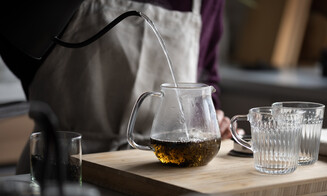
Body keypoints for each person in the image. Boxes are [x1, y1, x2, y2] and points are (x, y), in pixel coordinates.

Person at [0, 0, 231, 174]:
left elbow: (207, 79)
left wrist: (211, 119)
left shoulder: (208, 3)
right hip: (62, 170)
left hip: (159, 175)